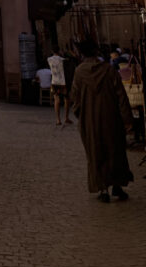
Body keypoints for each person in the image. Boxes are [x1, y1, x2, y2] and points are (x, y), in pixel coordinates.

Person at [69, 38, 134, 202]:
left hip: (90, 121)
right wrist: (127, 119)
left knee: (96, 152)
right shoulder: (109, 70)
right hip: (111, 118)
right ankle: (117, 186)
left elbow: (74, 98)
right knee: (115, 151)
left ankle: (103, 189)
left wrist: (81, 115)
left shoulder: (79, 72)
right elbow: (121, 95)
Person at [47, 49, 72, 126]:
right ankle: (66, 118)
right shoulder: (63, 60)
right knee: (66, 99)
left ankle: (58, 120)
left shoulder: (49, 59)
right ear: (59, 51)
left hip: (54, 81)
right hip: (63, 81)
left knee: (56, 99)